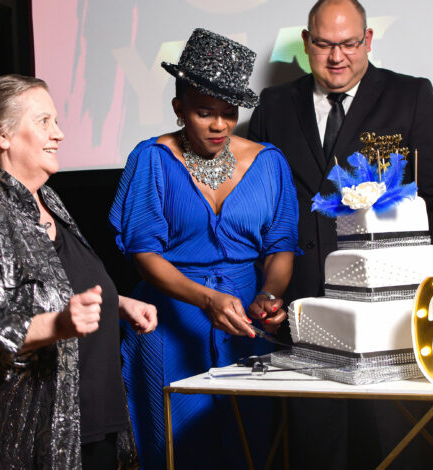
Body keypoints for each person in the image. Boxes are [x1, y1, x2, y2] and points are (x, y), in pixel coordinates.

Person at [247, 1, 433, 467]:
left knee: (395, 448)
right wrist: (268, 290)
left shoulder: (410, 96)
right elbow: (262, 210)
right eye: (324, 44)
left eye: (348, 44)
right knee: (315, 451)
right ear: (306, 43)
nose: (337, 57)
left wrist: (432, 287)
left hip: (392, 314)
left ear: (368, 41)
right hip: (306, 313)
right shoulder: (274, 106)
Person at [0, 74, 157, 469]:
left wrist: (117, 303)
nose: (59, 133)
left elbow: (59, 284)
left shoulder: (48, 199)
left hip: (99, 422)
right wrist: (57, 325)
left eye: (56, 121)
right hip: (37, 438)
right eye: (43, 122)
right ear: (1, 135)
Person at [109, 28, 300, 469]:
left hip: (244, 323)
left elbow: (280, 247)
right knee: (174, 449)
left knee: (248, 446)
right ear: (179, 109)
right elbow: (143, 253)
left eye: (229, 113)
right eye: (204, 112)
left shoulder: (269, 162)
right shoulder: (151, 159)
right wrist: (205, 298)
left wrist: (269, 294)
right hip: (168, 321)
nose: (219, 125)